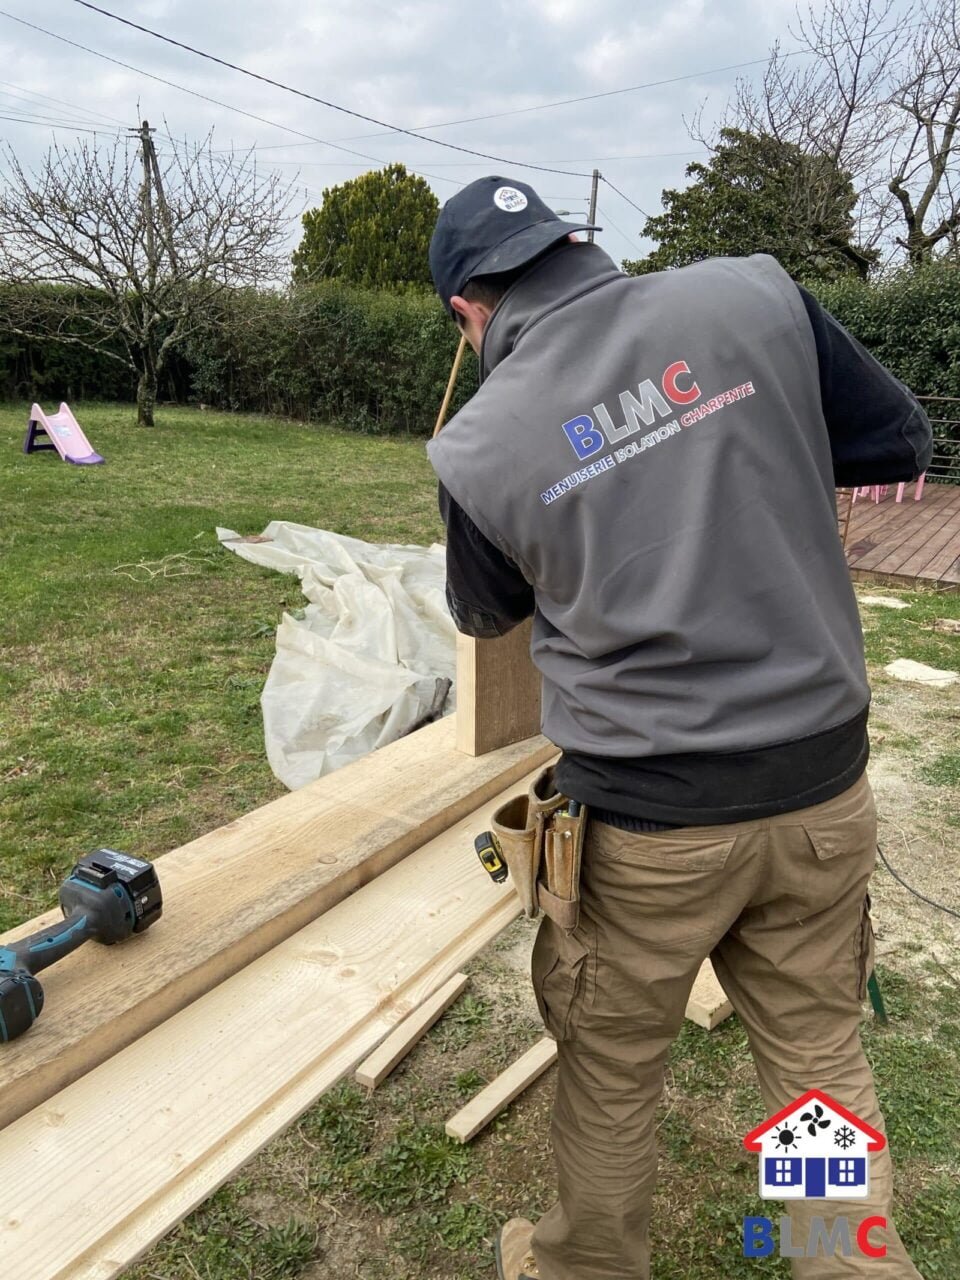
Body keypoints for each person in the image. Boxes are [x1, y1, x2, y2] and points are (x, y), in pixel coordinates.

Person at [426, 175, 932, 1280]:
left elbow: (484, 613)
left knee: (611, 1070)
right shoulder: (757, 297)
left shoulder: (477, 445)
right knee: (815, 1057)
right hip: (820, 793)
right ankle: (841, 1260)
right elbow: (899, 440)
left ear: (472, 306)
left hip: (646, 827)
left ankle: (585, 1268)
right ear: (575, 245)